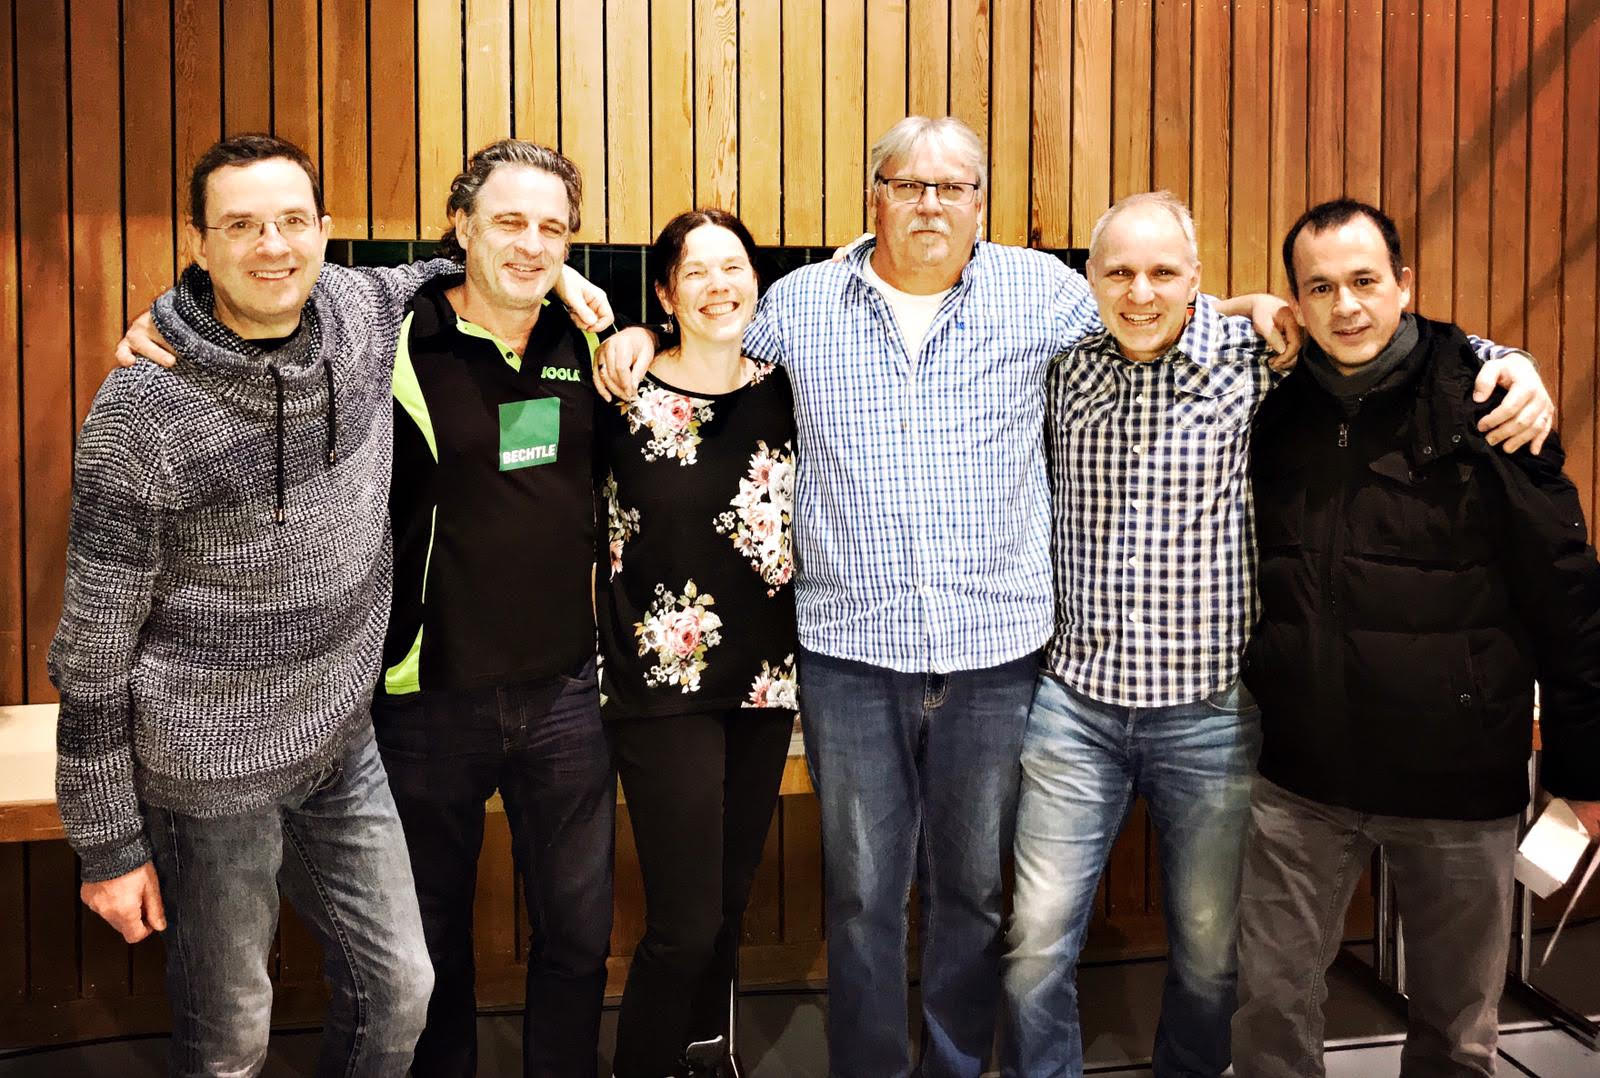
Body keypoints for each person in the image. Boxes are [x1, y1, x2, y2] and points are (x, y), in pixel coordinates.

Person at [593, 116, 1300, 1078]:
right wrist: (639, 332)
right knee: (863, 899)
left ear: (980, 203)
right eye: (908, 184)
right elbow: (706, 338)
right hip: (852, 655)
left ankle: (959, 1067)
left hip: (995, 658)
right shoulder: (800, 303)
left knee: (972, 896)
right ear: (874, 197)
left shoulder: (1045, 293)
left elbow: (1151, 304)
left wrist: (1255, 306)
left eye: (953, 186)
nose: (931, 203)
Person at [1001, 192, 1552, 1078]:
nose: (1140, 292)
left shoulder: (1258, 359)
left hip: (1214, 710)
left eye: (1164, 272)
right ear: (1089, 280)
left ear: (1196, 279)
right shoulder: (1058, 369)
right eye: (1119, 272)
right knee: (1033, 942)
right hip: (1076, 707)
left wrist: (1511, 364)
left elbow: (1401, 346)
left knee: (1213, 954)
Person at [51, 133, 439, 1076]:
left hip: (340, 746)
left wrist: (575, 288)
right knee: (231, 1042)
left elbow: (452, 265)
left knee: (400, 993)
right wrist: (107, 846)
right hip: (208, 773)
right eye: (242, 226)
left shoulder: (356, 309)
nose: (273, 246)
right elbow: (92, 651)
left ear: (325, 231)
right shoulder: (144, 410)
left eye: (293, 221)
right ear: (199, 242)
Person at [1232, 199, 1600, 1077]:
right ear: (1297, 302)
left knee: (1456, 1028)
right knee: (1270, 1006)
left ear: (1404, 284)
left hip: (1455, 775)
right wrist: (1246, 306)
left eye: (1364, 281)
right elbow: (1149, 302)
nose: (1346, 306)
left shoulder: (1488, 401)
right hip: (1304, 773)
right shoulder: (1277, 407)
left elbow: (1568, 592)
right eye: (1321, 288)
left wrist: (1587, 771)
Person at [370, 139, 614, 1078]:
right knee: (432, 946)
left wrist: (626, 328)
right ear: (461, 226)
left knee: (578, 937)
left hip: (564, 694)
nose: (531, 243)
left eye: (552, 228)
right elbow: (256, 298)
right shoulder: (398, 336)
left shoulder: (585, 341)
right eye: (509, 220)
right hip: (428, 696)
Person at [598, 208, 798, 1077]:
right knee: (682, 923)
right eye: (698, 271)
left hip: (765, 681)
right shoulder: (619, 394)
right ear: (665, 293)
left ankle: (707, 1055)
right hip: (657, 685)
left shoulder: (787, 391)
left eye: (735, 267)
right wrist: (629, 338)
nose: (720, 285)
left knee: (727, 905)